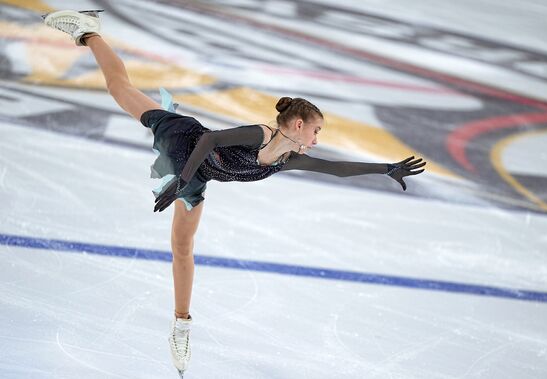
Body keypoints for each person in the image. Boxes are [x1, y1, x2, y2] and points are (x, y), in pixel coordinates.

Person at [43, 9, 426, 377]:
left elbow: (335, 169)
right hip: (185, 142)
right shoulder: (262, 134)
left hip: (194, 175)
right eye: (316, 131)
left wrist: (385, 169)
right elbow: (209, 139)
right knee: (120, 88)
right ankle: (89, 31)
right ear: (296, 124)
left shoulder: (285, 159)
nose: (316, 139)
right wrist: (179, 179)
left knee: (181, 247)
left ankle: (181, 325)